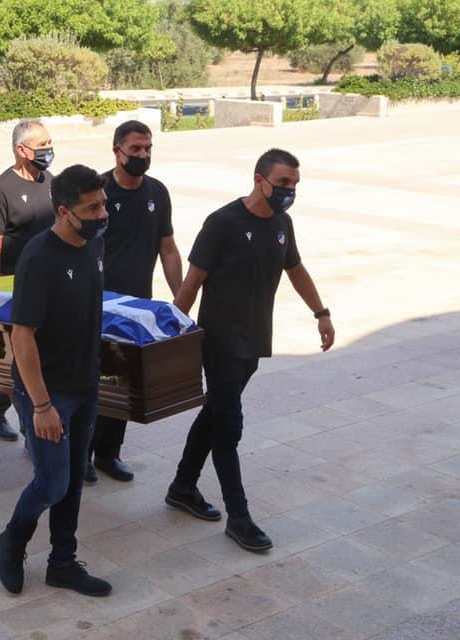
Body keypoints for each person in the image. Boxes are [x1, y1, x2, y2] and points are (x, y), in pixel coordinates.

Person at [166, 148, 335, 552]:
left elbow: (295, 269)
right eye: (283, 183)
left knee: (214, 414)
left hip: (255, 341)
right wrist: (170, 336)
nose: (289, 190)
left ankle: (182, 486)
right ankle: (239, 518)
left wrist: (321, 313)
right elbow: (191, 283)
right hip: (220, 341)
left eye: (294, 184)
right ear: (259, 180)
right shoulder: (223, 223)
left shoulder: (282, 223)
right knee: (229, 427)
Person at [0, 165, 112, 597]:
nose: (102, 214)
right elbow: (22, 335)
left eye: (103, 204)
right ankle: (12, 541)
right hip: (47, 393)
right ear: (64, 212)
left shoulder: (94, 244)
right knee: (51, 483)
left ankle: (62, 562)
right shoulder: (39, 257)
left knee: (74, 479)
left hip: (84, 385)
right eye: (92, 208)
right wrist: (41, 406)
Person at [87, 120, 183, 484]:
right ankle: (80, 455)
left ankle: (108, 454)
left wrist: (179, 301)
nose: (143, 155)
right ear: (117, 152)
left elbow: (168, 248)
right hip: (97, 306)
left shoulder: (157, 192)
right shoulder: (96, 192)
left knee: (123, 382)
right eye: (135, 149)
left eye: (147, 149)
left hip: (136, 309)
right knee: (90, 383)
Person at [0, 119, 57, 441]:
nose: (49, 150)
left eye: (50, 143)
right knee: (18, 357)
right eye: (42, 145)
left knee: (36, 354)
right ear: (22, 150)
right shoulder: (0, 190)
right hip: (14, 287)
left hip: (49, 284)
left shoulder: (51, 182)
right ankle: (9, 417)